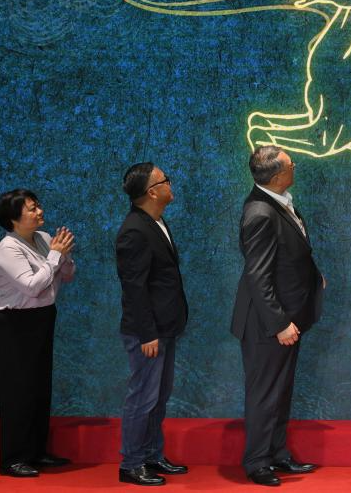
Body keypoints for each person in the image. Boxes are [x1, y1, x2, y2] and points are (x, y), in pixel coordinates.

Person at [231, 145, 325, 487]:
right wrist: (280, 323)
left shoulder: (278, 202)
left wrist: (313, 277)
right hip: (267, 324)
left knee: (280, 392)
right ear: (276, 176)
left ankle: (277, 453)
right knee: (265, 394)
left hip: (287, 318)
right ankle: (257, 462)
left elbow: (289, 254)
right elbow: (258, 275)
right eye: (290, 164)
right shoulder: (260, 212)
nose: (294, 166)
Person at [0, 189, 75, 477]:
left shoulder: (44, 238)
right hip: (14, 325)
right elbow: (32, 287)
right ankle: (12, 459)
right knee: (17, 392)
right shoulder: (7, 248)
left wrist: (64, 255)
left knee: (39, 388)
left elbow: (67, 275)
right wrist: (55, 256)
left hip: (43, 318)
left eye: (38, 206)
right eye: (31, 209)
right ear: (13, 219)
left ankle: (36, 452)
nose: (39, 212)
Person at [115, 163, 189, 486]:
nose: (171, 184)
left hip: (165, 326)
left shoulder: (156, 221)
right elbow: (133, 287)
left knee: (159, 396)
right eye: (165, 180)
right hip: (148, 332)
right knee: (143, 398)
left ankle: (152, 454)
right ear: (152, 192)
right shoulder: (134, 230)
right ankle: (131, 464)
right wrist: (147, 333)